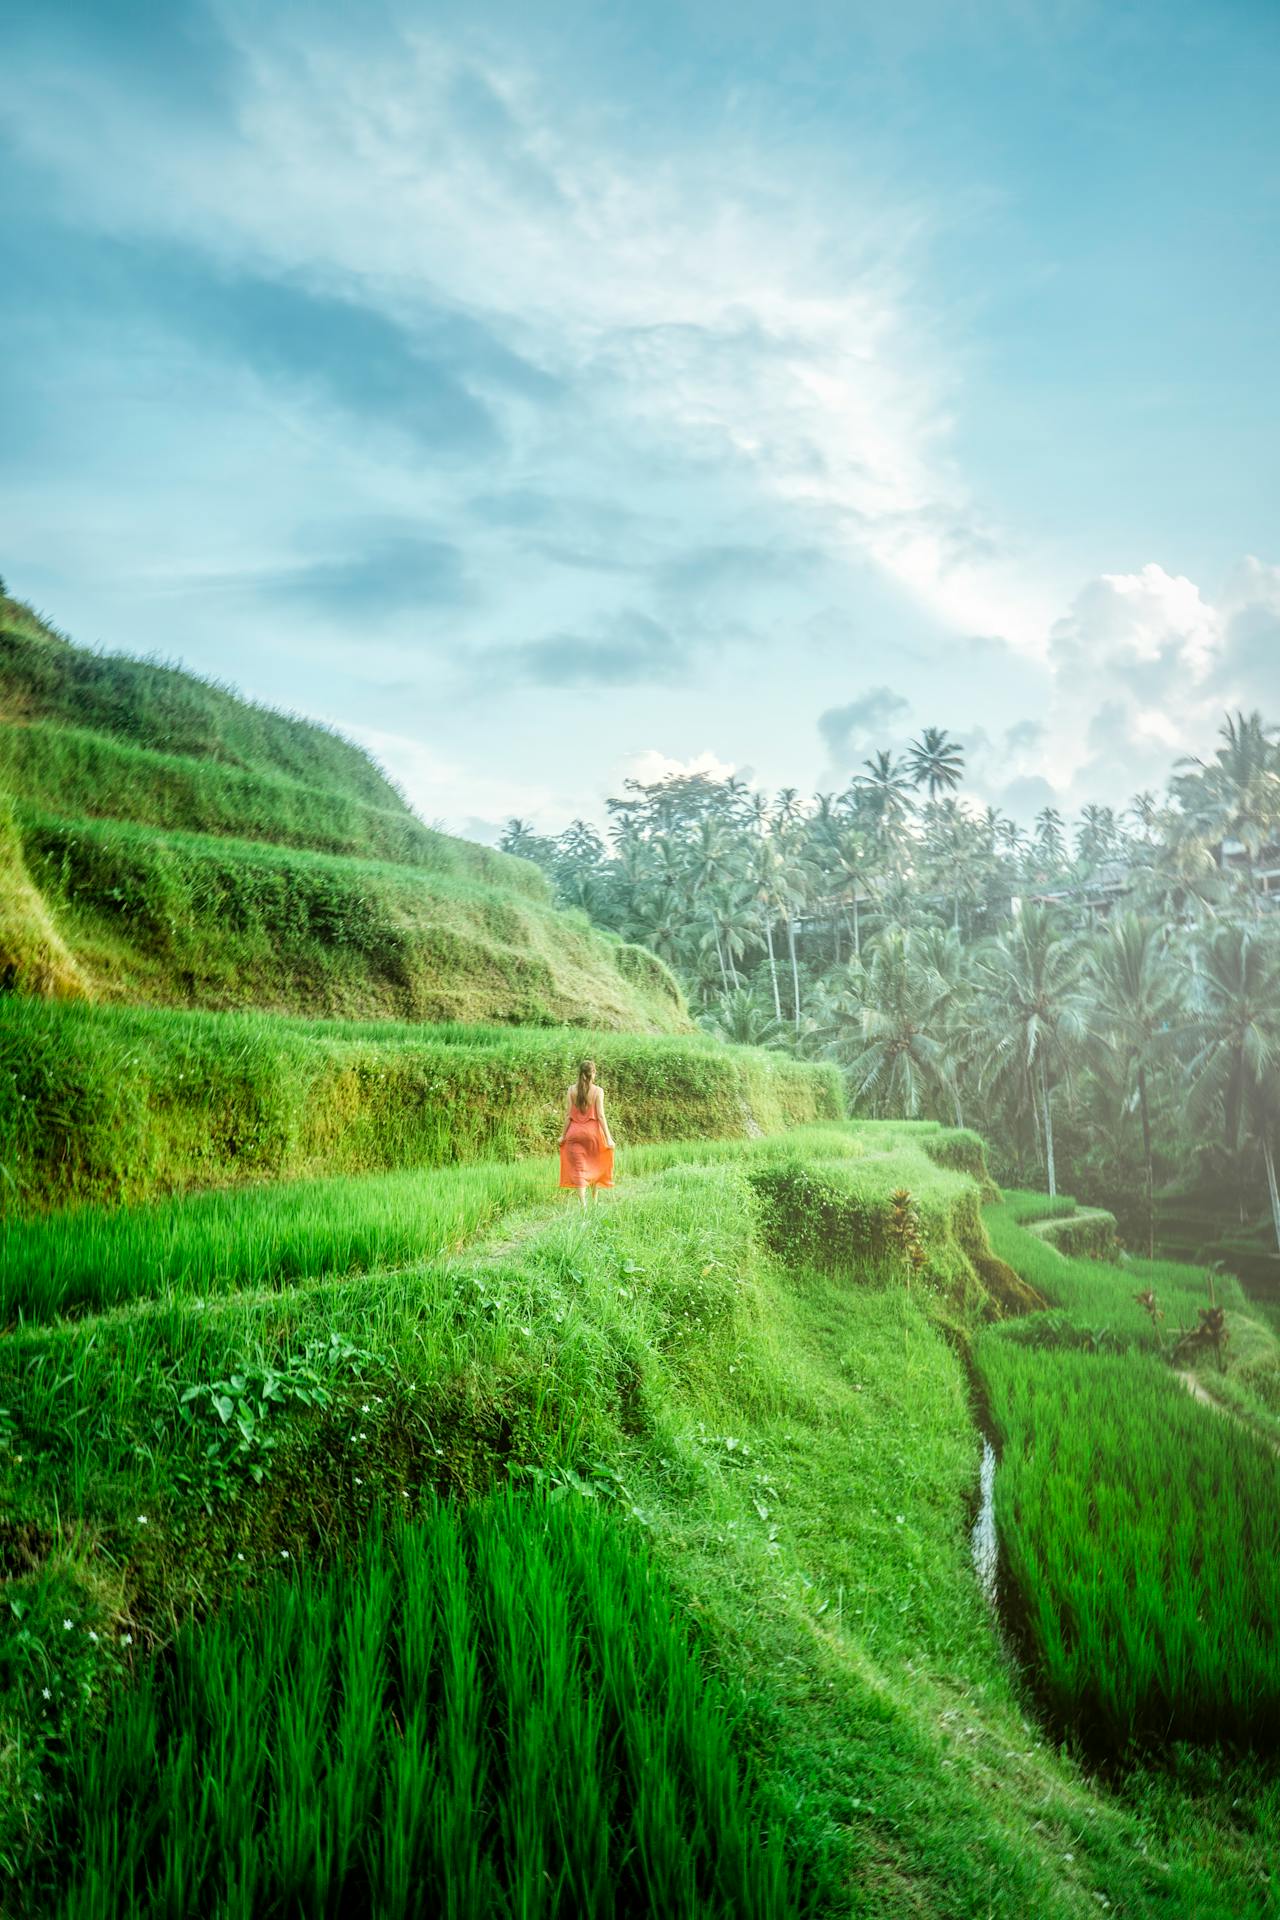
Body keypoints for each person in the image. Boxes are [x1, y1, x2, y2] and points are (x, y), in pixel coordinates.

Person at [558, 1059, 615, 1209]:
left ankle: (583, 1206)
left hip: (574, 1134)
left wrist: (563, 1136)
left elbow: (568, 1115)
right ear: (593, 1074)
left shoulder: (571, 1090)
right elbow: (601, 1116)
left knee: (579, 1169)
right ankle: (595, 1202)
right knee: (595, 1164)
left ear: (580, 1074)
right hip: (593, 1134)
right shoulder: (598, 1091)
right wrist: (608, 1138)